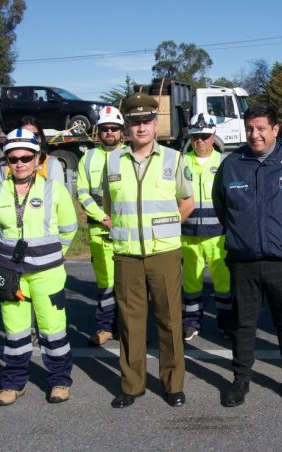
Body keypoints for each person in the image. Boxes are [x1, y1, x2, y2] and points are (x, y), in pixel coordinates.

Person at [212, 102, 282, 407]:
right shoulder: (232, 164)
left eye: (261, 129)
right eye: (250, 129)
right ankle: (240, 380)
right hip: (243, 261)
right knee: (243, 325)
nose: (254, 135)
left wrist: (281, 233)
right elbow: (222, 207)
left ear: (276, 129)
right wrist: (243, 235)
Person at [104, 92, 194, 409]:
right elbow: (109, 204)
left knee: (170, 321)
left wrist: (166, 228)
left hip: (164, 255)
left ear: (155, 124)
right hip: (127, 255)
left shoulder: (173, 159)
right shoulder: (113, 161)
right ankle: (132, 385)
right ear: (126, 126)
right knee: (130, 323)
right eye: (134, 121)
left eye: (146, 121)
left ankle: (173, 385)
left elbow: (187, 202)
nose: (141, 127)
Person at [0, 128, 78, 406]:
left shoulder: (55, 189)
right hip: (10, 274)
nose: (20, 163)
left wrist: (50, 255)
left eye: (26, 157)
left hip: (48, 274)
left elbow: (69, 228)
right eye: (13, 159)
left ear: (38, 159)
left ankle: (60, 381)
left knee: (53, 330)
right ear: (7, 161)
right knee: (15, 332)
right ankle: (13, 383)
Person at [75, 105, 125, 346]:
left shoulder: (130, 155)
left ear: (121, 131)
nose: (109, 133)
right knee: (105, 282)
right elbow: (82, 193)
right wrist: (102, 217)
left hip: (127, 229)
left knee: (129, 282)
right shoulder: (88, 158)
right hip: (99, 228)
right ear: (98, 132)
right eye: (105, 129)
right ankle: (105, 327)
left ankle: (128, 327)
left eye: (114, 128)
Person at [181, 113, 232, 341]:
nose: (200, 140)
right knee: (191, 280)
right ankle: (191, 322)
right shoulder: (181, 162)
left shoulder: (225, 162)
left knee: (224, 281)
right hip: (188, 234)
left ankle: (226, 322)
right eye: (196, 136)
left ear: (213, 136)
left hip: (218, 235)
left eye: (204, 136)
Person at [0, 115, 64, 187]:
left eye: (34, 135)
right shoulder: (3, 166)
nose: (29, 138)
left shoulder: (51, 164)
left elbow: (57, 194)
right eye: (13, 160)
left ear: (40, 138)